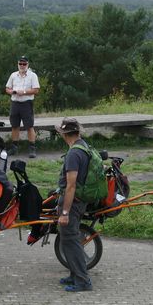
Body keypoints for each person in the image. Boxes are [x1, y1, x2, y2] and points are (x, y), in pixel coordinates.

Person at [55, 117, 93, 292]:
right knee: (70, 239)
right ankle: (74, 275)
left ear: (64, 134)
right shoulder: (84, 147)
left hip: (72, 203)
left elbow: (71, 185)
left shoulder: (73, 154)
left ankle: (82, 281)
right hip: (80, 201)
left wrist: (64, 212)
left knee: (70, 241)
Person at [5, 55, 40, 158]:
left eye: (24, 64)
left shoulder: (33, 75)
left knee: (29, 126)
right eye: (20, 63)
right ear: (18, 64)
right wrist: (12, 91)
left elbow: (36, 90)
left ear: (28, 65)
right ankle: (14, 148)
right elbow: (7, 88)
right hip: (15, 103)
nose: (22, 65)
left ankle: (32, 148)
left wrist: (23, 92)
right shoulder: (13, 75)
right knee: (15, 125)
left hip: (26, 103)